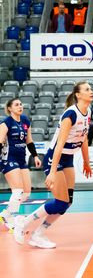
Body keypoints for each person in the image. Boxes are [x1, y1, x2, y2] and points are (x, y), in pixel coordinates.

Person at [13, 82, 93, 249]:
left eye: (90, 89)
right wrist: (51, 172)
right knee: (61, 202)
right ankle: (23, 222)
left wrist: (87, 162)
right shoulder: (70, 114)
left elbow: (84, 138)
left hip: (68, 158)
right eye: (87, 89)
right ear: (78, 95)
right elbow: (59, 145)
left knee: (67, 203)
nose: (91, 91)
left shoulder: (88, 112)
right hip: (55, 157)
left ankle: (37, 235)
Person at [0, 99, 41, 231]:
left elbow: (29, 141)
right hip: (8, 158)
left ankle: (5, 215)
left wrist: (35, 156)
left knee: (26, 193)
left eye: (21, 104)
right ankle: (10, 220)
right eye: (16, 105)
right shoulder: (6, 123)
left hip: (21, 158)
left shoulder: (25, 121)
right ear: (10, 108)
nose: (20, 106)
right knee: (17, 190)